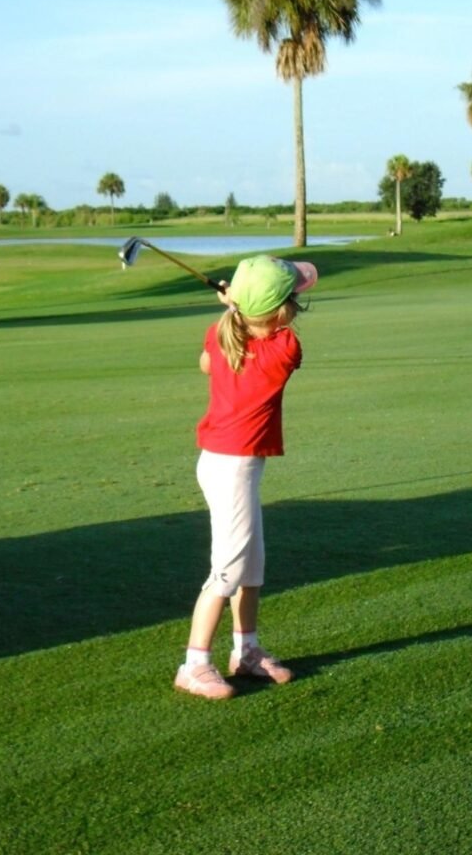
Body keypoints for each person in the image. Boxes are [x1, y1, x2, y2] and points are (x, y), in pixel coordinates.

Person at [174, 254, 318, 700]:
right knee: (228, 571)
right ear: (279, 313)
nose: (297, 303)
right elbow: (262, 329)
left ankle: (247, 651)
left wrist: (232, 307)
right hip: (231, 468)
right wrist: (235, 302)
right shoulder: (285, 349)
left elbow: (206, 361)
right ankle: (194, 664)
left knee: (251, 564)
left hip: (224, 462)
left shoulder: (220, 336)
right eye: (292, 298)